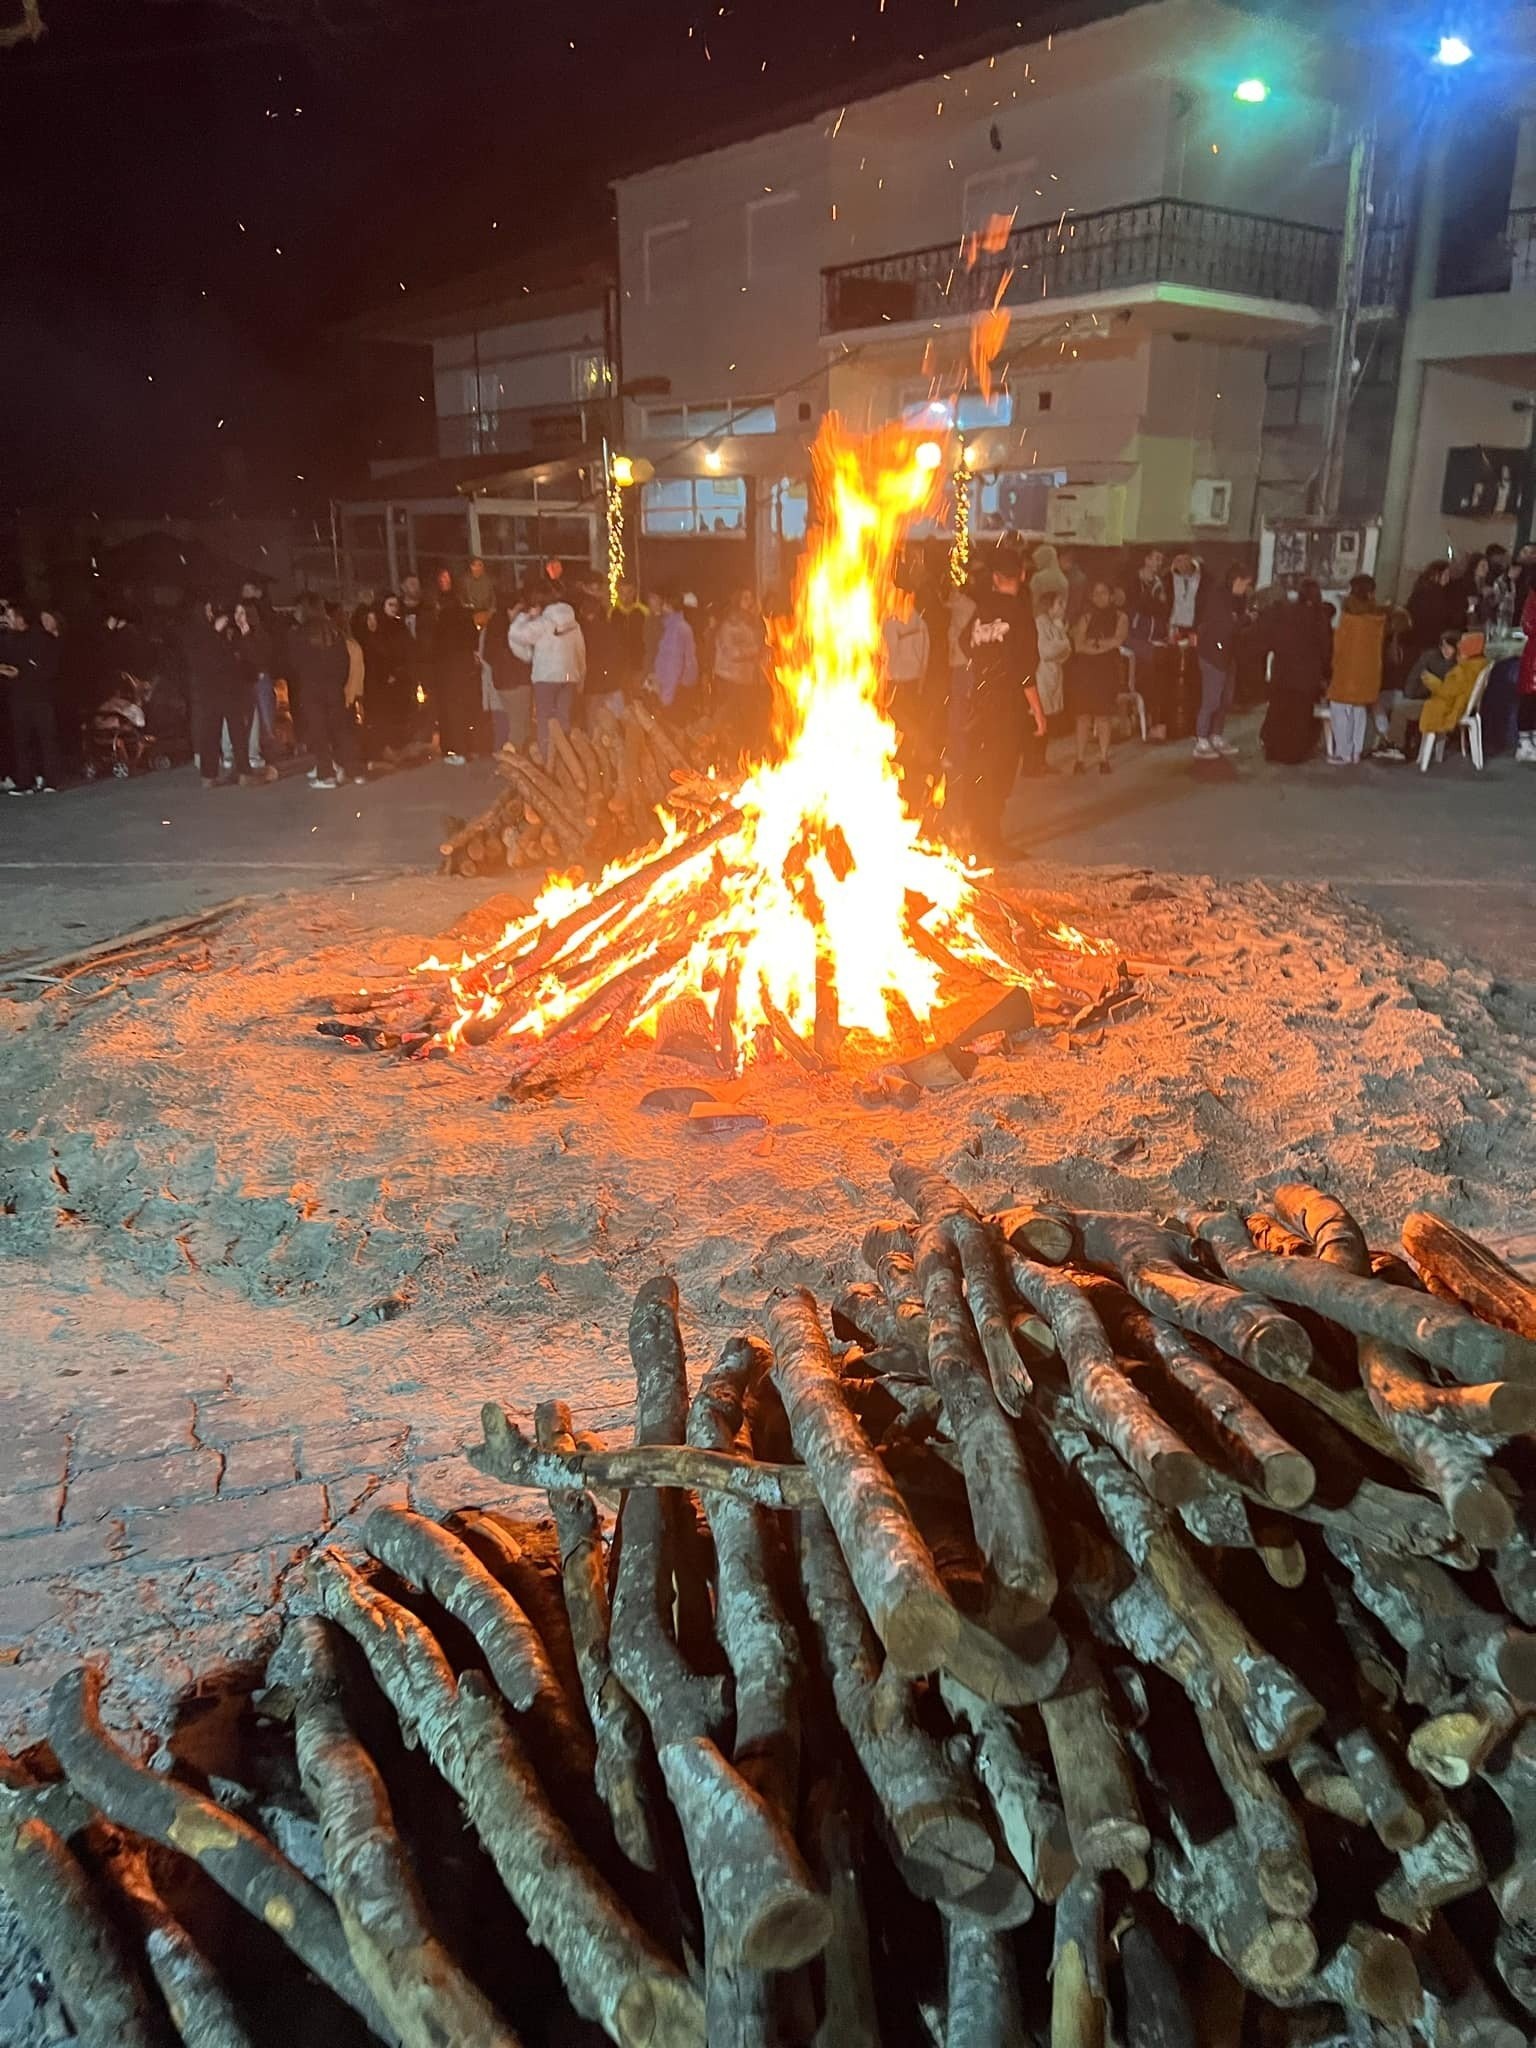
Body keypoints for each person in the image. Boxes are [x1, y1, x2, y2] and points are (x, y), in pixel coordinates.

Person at [960, 548, 1045, 854]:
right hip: (1007, 704)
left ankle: (978, 830)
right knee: (1001, 769)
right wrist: (1037, 710)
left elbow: (963, 640)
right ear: (1022, 576)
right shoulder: (1020, 614)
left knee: (982, 764)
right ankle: (990, 838)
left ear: (995, 578)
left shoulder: (982, 609)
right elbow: (1025, 669)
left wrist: (985, 662)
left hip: (980, 698)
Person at [283, 593, 359, 789]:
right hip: (334, 687)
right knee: (341, 729)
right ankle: (353, 770)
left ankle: (326, 774)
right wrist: (338, 682)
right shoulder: (334, 631)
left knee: (319, 731)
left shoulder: (298, 633)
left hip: (311, 687)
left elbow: (294, 662)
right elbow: (344, 661)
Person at [189, 599, 266, 787]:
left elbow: (251, 655)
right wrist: (214, 632)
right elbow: (201, 657)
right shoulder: (199, 634)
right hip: (210, 689)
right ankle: (209, 775)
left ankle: (243, 772)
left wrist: (244, 629)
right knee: (211, 732)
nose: (210, 614)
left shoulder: (231, 633)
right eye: (207, 610)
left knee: (238, 732)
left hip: (233, 689)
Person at [1256, 579, 1333, 763]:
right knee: (1299, 715)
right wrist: (1326, 672)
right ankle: (1293, 753)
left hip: (1283, 671)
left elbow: (1272, 637)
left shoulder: (1286, 612)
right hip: (1306, 676)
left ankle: (1272, 750)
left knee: (1279, 710)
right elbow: (1325, 649)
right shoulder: (1319, 617)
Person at [1192, 563, 1253, 759]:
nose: (1246, 589)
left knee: (1225, 700)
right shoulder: (1218, 598)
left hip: (1227, 655)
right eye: (1245, 584)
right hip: (1213, 654)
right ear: (1237, 581)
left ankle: (1216, 735)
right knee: (1211, 699)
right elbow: (1227, 627)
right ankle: (1201, 739)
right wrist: (1246, 619)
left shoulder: (1236, 599)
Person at [1326, 573, 1389, 765]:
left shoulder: (1348, 617)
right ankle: (1356, 752)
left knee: (1340, 709)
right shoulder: (1378, 619)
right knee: (1359, 709)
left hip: (1347, 672)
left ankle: (1343, 753)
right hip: (1369, 673)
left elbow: (1338, 647)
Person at [510, 592, 587, 747]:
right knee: (563, 718)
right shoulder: (573, 624)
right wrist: (581, 676)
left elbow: (516, 634)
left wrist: (524, 617)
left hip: (545, 677)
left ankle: (547, 759)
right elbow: (580, 651)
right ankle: (563, 760)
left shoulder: (543, 623)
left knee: (545, 720)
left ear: (540, 606)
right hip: (569, 676)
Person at [3, 603, 65, 794]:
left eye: (11, 616)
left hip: (40, 697)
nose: (8, 620)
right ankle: (25, 781)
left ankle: (51, 780)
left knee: (46, 739)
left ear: (21, 618)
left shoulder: (40, 638)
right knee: (22, 741)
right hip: (18, 696)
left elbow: (48, 668)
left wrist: (22, 673)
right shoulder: (8, 639)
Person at [1069, 579, 1128, 775]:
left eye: (1103, 592)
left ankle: (1103, 758)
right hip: (1085, 671)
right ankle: (1079, 759)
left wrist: (1093, 644)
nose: (1099, 597)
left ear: (1111, 595)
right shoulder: (1085, 616)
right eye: (1096, 593)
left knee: (1103, 716)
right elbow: (1078, 645)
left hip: (1107, 670)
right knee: (1083, 716)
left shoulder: (1120, 617)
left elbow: (1118, 640)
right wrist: (1101, 645)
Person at [1376, 627, 1459, 759]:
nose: (1445, 650)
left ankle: (1396, 745)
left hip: (1438, 704)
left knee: (1400, 708)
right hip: (1425, 699)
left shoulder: (1457, 667)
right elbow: (1413, 678)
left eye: (1449, 647)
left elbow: (1448, 692)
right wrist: (1411, 694)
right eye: (1443, 646)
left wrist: (1432, 683)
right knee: (1391, 703)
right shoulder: (1430, 657)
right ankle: (1392, 742)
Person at [430, 587, 483, 764]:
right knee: (468, 709)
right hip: (466, 670)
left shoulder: (441, 621)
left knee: (452, 712)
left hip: (447, 674)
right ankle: (472, 747)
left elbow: (436, 648)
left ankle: (458, 750)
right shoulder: (466, 618)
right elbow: (474, 641)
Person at [359, 602, 415, 764]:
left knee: (383, 718)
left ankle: (385, 749)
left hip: (382, 685)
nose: (372, 623)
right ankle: (377, 751)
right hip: (372, 685)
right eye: (368, 619)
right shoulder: (365, 639)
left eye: (373, 619)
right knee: (375, 719)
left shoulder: (379, 637)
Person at [716, 588, 771, 750]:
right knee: (734, 724)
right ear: (738, 601)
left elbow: (762, 646)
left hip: (749, 680)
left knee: (751, 722)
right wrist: (755, 650)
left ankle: (747, 757)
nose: (750, 602)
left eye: (751, 598)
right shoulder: (729, 625)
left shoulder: (753, 623)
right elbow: (731, 652)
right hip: (730, 680)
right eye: (745, 598)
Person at [1126, 548, 1172, 740]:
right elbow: (1136, 607)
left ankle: (1159, 720)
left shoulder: (1160, 585)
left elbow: (1163, 610)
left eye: (1161, 559)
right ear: (1145, 560)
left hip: (1155, 638)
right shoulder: (1132, 583)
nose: (1159, 563)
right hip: (1135, 638)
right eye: (1155, 558)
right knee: (1152, 666)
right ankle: (1153, 720)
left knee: (1168, 663)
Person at [1416, 633, 1486, 755]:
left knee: (1429, 706)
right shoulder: (1480, 664)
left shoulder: (1462, 671)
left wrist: (1432, 682)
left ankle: (1425, 755)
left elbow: (1448, 692)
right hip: (1467, 706)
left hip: (1454, 707)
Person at [482, 592, 533, 749]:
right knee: (519, 727)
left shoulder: (493, 626)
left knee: (516, 723)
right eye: (519, 608)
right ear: (510, 609)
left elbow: (487, 655)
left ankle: (509, 760)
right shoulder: (511, 628)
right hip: (518, 681)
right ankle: (511, 763)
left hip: (503, 682)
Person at [647, 591, 699, 722]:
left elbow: (673, 664)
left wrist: (666, 696)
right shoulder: (675, 626)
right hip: (676, 688)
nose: (660, 606)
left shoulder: (676, 630)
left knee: (673, 727)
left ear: (669, 606)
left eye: (663, 603)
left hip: (674, 691)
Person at [1034, 589, 1071, 728]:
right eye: (1059, 604)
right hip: (1043, 676)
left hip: (1053, 674)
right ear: (1049, 606)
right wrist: (1064, 642)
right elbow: (1045, 651)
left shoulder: (1053, 624)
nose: (1063, 607)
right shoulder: (1040, 624)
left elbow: (1066, 654)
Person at [1028, 542, 1069, 615]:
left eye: (1038, 560)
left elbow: (1033, 602)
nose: (1036, 564)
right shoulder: (1064, 580)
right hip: (1056, 618)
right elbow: (1063, 605)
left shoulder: (1037, 578)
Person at [459, 556, 498, 622]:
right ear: (471, 567)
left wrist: (491, 610)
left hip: (486, 612)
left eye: (480, 565)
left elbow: (493, 597)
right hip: (471, 614)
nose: (477, 568)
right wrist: (466, 607)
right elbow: (461, 598)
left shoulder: (488, 580)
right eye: (474, 565)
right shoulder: (465, 581)